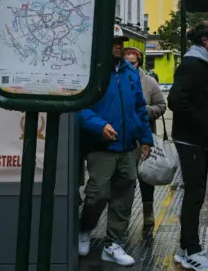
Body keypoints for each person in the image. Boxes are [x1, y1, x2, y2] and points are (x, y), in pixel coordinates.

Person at [76, 34, 153, 266]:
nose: (118, 47)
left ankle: (113, 244)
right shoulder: (93, 72)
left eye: (120, 43)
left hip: (128, 146)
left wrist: (145, 138)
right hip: (102, 146)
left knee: (124, 197)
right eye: (113, 43)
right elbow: (80, 106)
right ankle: (85, 228)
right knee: (97, 192)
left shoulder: (130, 72)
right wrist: (100, 127)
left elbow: (139, 107)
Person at [168, 21, 208, 271]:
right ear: (205, 41)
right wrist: (203, 124)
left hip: (198, 138)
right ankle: (193, 250)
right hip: (190, 139)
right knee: (195, 194)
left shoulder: (205, 64)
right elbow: (175, 100)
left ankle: (183, 248)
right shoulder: (193, 64)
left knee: (196, 194)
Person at [123, 46, 166, 229]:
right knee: (125, 179)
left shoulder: (149, 82)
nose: (130, 66)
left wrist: (144, 111)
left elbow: (162, 106)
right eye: (126, 63)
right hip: (124, 139)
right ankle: (123, 215)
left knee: (146, 178)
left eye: (132, 63)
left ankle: (148, 211)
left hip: (144, 138)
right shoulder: (117, 80)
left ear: (138, 62)